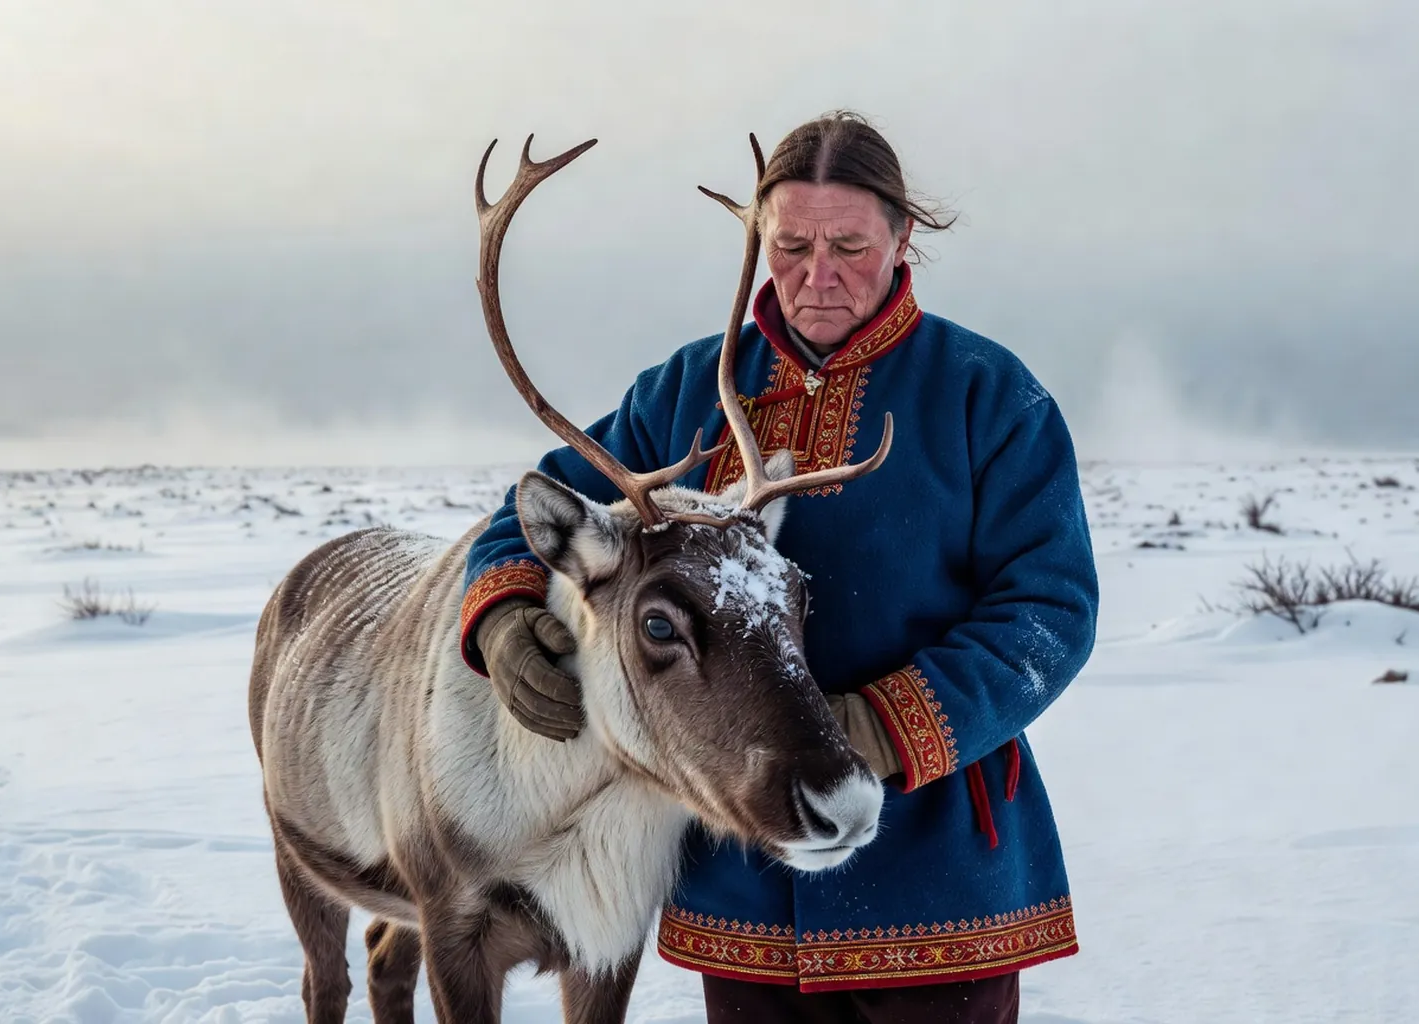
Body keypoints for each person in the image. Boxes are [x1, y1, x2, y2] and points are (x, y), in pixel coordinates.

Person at [458, 111, 1099, 1024]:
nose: (818, 274)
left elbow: (1050, 612)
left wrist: (880, 728)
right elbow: (531, 513)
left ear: (903, 236)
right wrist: (508, 620)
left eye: (849, 244)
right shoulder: (686, 390)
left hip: (935, 876)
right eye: (791, 244)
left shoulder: (987, 396)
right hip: (744, 878)